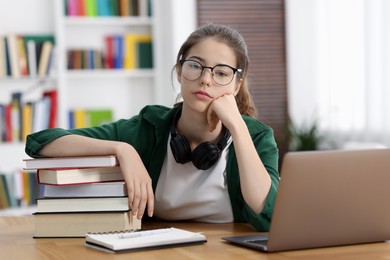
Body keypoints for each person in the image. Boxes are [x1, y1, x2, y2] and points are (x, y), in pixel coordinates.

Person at [25, 23, 279, 231]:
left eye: (221, 73)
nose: (205, 79)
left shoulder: (256, 137)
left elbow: (267, 215)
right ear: (180, 72)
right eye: (195, 66)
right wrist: (122, 149)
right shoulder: (149, 127)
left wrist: (237, 126)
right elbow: (41, 142)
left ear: (236, 85)